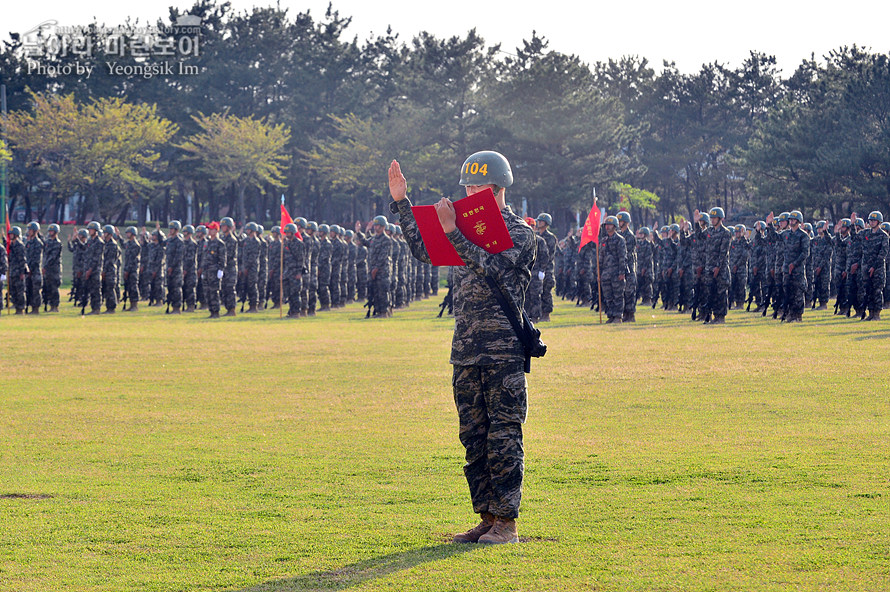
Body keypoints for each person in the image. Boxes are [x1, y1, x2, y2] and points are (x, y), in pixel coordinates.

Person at [389, 151, 534, 544]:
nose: (470, 192)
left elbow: (494, 267)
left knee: (503, 435)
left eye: (478, 186)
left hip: (502, 350)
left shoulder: (520, 232)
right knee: (473, 436)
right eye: (467, 186)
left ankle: (507, 522)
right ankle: (486, 516)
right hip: (466, 349)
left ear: (499, 187)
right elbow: (424, 249)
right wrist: (402, 202)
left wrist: (453, 231)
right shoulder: (462, 228)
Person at [861, 211, 889, 321]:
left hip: (877, 268)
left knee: (877, 291)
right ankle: (871, 312)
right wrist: (853, 225)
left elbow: (883, 253)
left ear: (879, 222)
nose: (871, 222)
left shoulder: (883, 236)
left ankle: (877, 313)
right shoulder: (866, 233)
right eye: (870, 220)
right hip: (866, 267)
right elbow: (854, 238)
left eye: (874, 220)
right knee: (868, 290)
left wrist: (874, 266)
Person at [598, 216, 627, 323]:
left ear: (614, 226)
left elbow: (622, 257)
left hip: (616, 273)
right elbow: (601, 258)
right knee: (608, 296)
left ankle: (618, 316)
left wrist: (622, 272)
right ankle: (610, 316)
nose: (607, 226)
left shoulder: (620, 240)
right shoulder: (604, 240)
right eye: (606, 225)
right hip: (605, 273)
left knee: (618, 295)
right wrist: (599, 273)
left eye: (609, 224)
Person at [200, 222, 226, 319]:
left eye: (211, 229)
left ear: (216, 230)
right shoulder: (207, 243)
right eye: (209, 229)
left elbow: (222, 258)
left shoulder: (220, 243)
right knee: (207, 292)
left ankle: (216, 311)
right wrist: (203, 270)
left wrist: (221, 270)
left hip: (214, 271)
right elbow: (204, 257)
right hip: (206, 271)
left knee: (214, 292)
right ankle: (211, 310)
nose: (209, 231)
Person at [43, 224, 63, 312]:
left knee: (54, 287)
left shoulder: (57, 243)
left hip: (54, 269)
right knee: (49, 287)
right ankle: (51, 305)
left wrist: (45, 266)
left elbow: (53, 257)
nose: (50, 233)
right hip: (47, 269)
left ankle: (55, 306)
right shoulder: (47, 242)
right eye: (49, 231)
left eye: (52, 231)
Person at [24, 221, 43, 314]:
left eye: (30, 230)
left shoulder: (37, 243)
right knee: (29, 289)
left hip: (35, 271)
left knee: (36, 290)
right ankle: (30, 306)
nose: (29, 231)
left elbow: (36, 259)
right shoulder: (29, 243)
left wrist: (31, 269)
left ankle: (36, 309)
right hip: (29, 270)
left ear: (35, 231)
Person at [122, 227, 141, 311]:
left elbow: (132, 259)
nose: (127, 234)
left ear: (133, 234)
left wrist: (127, 270)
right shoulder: (128, 244)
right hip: (128, 269)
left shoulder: (135, 245)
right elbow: (123, 245)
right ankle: (131, 305)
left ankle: (134, 305)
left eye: (128, 233)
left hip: (133, 269)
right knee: (129, 287)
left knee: (133, 287)